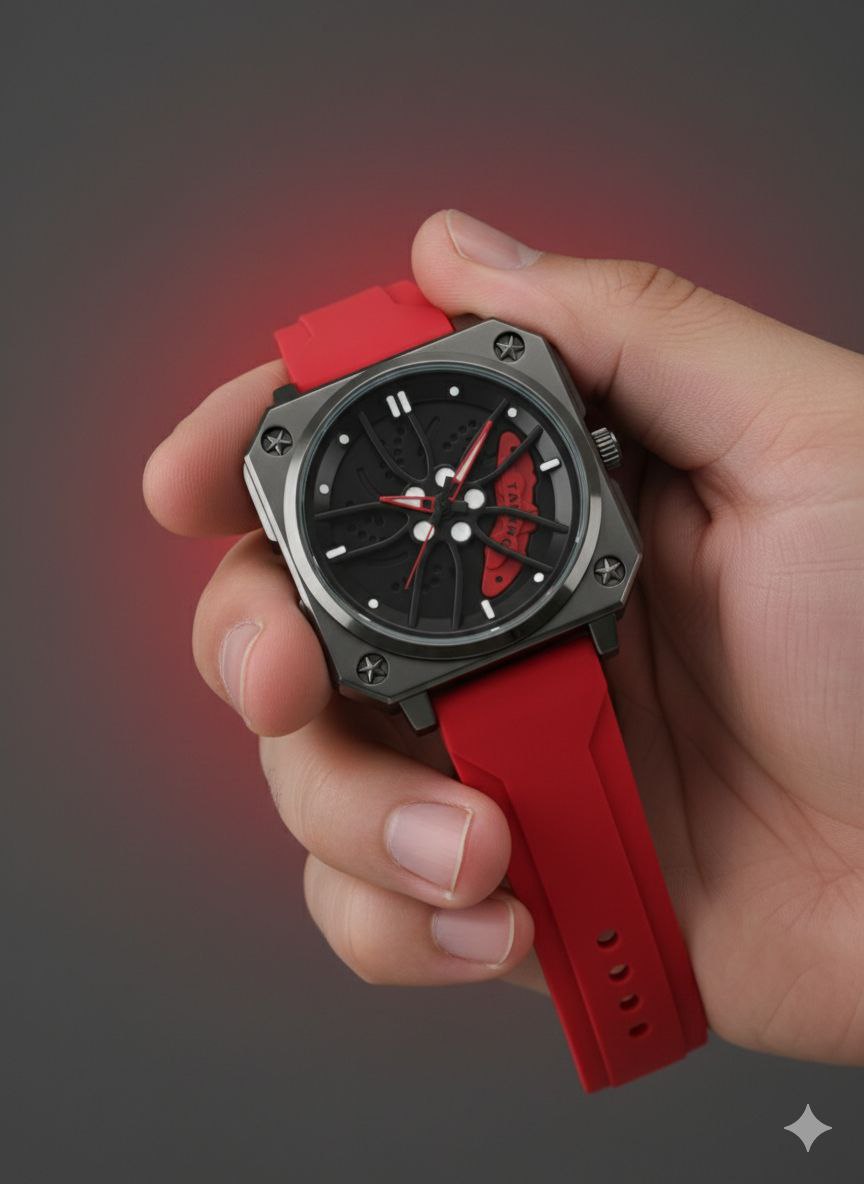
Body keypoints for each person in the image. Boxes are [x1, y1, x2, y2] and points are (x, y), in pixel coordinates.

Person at [143, 209, 864, 1067]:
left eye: (449, 487)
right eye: (426, 499)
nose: (444, 502)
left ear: (596, 448)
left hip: (544, 620)